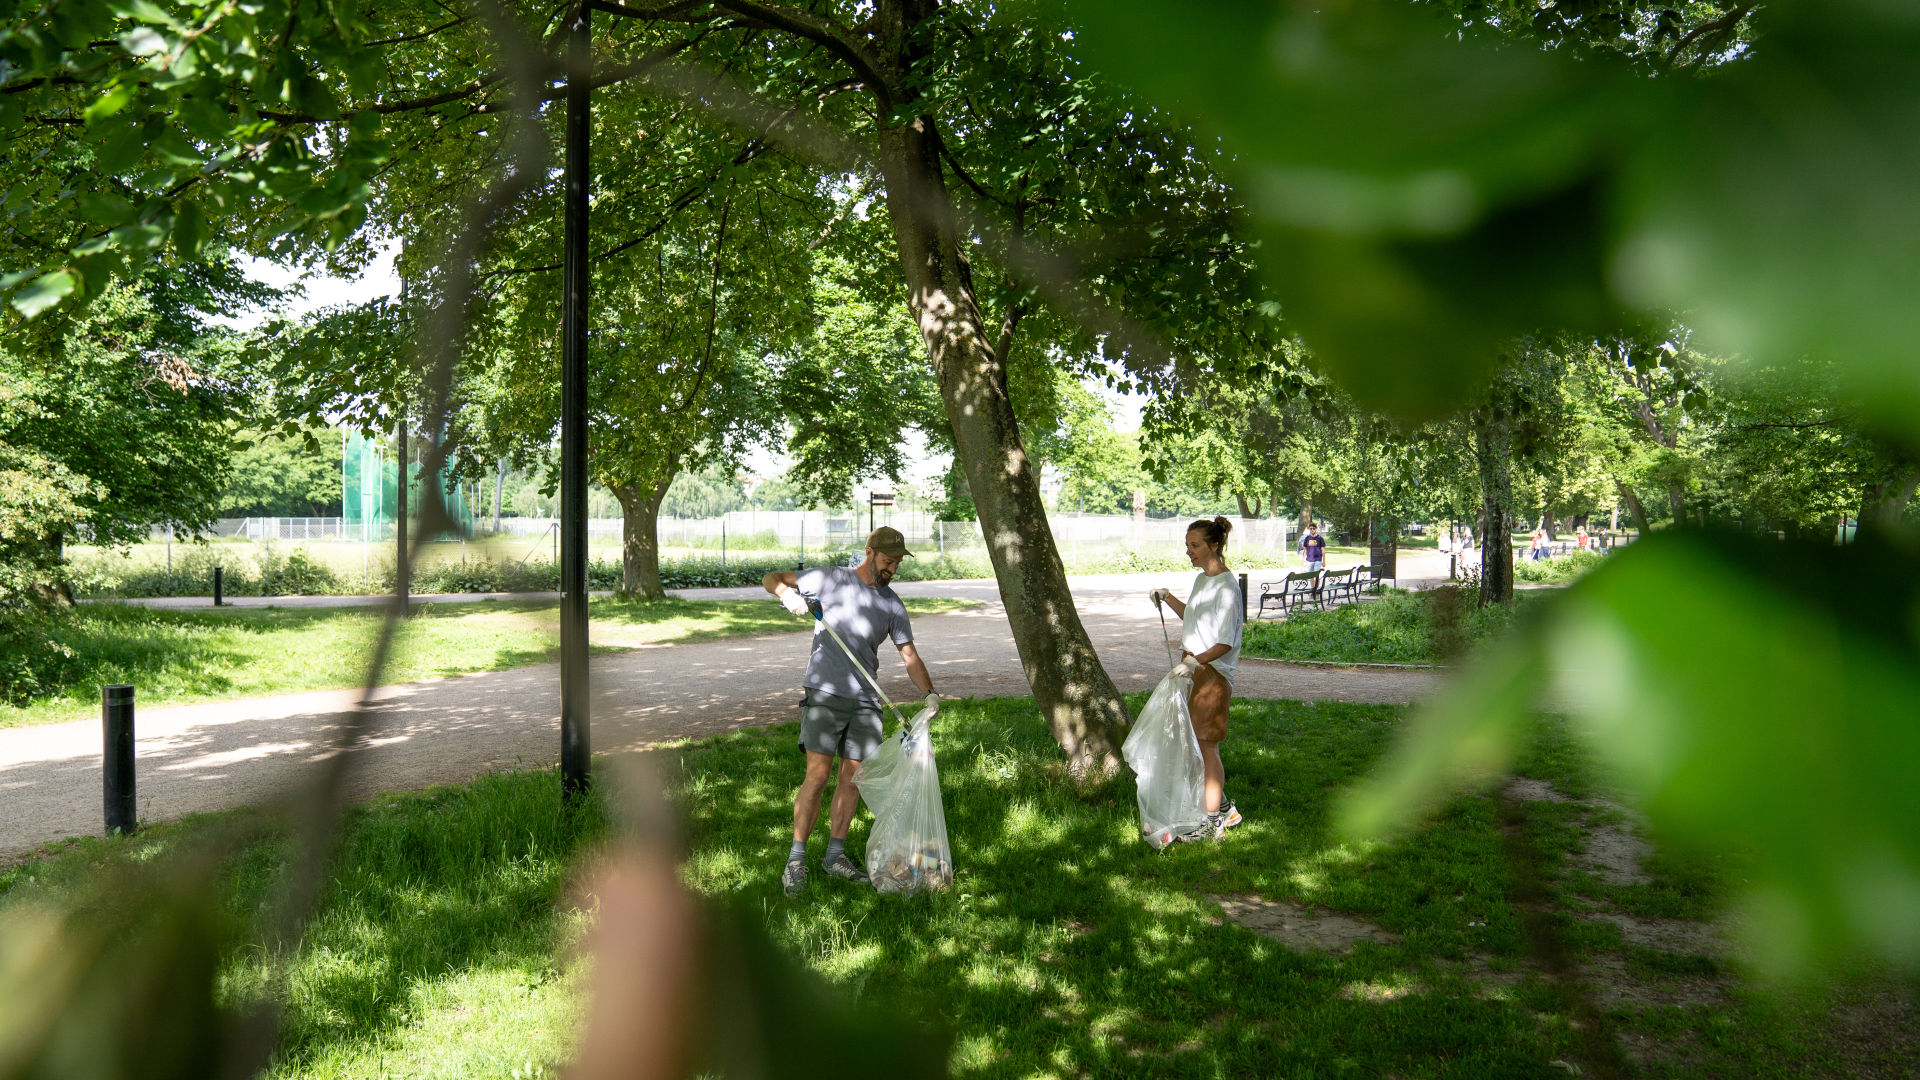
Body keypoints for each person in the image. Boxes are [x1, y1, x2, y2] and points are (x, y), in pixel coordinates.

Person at [763, 526, 940, 897]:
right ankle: (796, 860)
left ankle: (835, 857)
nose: (892, 568)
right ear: (870, 551)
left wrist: (930, 694)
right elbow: (772, 578)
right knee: (817, 776)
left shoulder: (892, 604)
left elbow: (909, 655)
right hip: (825, 693)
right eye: (888, 561)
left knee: (852, 779)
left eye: (897, 563)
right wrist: (788, 595)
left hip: (866, 700)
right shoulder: (831, 579)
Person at [1148, 517, 1245, 841]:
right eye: (1187, 545)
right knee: (1195, 746)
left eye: (1195, 545)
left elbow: (1224, 641)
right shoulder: (1203, 580)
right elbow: (1195, 616)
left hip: (1212, 674)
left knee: (1206, 747)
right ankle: (1225, 809)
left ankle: (1213, 821)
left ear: (1213, 546)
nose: (1189, 551)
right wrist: (1167, 596)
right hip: (1193, 668)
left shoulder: (1228, 586)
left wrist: (1193, 663)